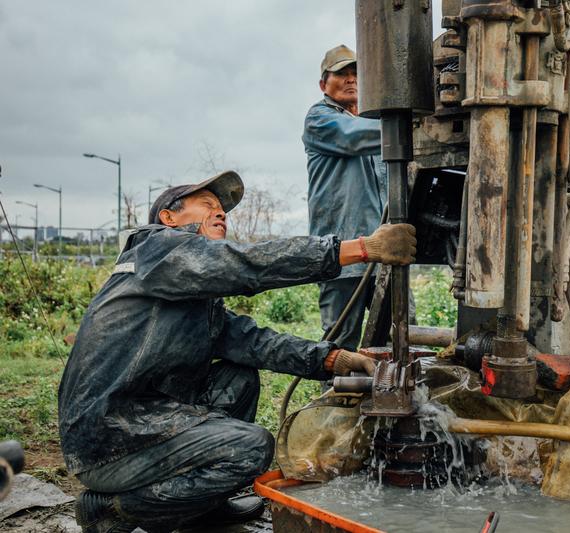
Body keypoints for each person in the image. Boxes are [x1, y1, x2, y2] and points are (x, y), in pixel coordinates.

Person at [57, 171, 416, 533]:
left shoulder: (193, 295)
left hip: (146, 418)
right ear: (168, 217)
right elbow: (246, 262)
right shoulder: (156, 249)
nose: (221, 213)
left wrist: (335, 359)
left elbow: (253, 342)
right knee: (251, 448)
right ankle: (114, 509)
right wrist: (360, 249)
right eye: (207, 205)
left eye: (222, 209)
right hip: (109, 438)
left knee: (238, 378)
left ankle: (201, 508)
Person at [302, 44, 387, 351]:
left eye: (356, 73)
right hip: (341, 255)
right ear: (324, 84)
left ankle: (385, 397)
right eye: (342, 74)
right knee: (340, 346)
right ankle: (334, 398)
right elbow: (354, 136)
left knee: (399, 336)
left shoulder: (375, 123)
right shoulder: (320, 119)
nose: (351, 79)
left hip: (385, 255)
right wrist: (413, 125)